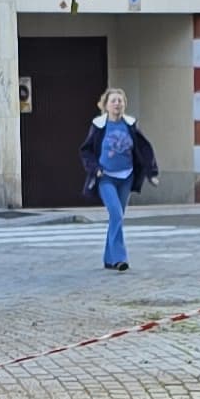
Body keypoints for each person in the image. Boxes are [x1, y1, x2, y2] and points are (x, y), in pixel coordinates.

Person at [86, 88, 155, 270]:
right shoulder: (99, 126)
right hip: (106, 177)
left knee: (117, 217)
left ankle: (109, 259)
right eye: (113, 101)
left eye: (120, 101)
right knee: (116, 214)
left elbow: (145, 149)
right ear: (106, 105)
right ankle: (120, 258)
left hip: (126, 177)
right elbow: (86, 151)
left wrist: (151, 172)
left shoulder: (130, 125)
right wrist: (95, 169)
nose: (117, 104)